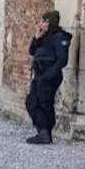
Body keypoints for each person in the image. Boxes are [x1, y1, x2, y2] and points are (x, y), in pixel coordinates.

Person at [26, 9, 71, 145]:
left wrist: (47, 77)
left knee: (45, 104)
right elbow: (32, 51)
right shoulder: (44, 37)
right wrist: (36, 37)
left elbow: (62, 60)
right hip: (40, 75)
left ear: (49, 23)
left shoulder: (59, 37)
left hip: (49, 76)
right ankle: (42, 130)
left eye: (44, 22)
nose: (41, 24)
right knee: (32, 101)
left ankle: (44, 133)